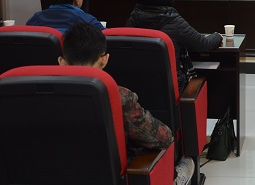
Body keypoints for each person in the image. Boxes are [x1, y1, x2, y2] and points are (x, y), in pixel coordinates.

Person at [61, 23, 192, 185]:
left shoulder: (37, 99)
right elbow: (163, 138)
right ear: (104, 60)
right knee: (185, 164)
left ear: (61, 61)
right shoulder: (117, 96)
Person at [126, 0, 223, 93]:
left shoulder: (132, 21)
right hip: (170, 90)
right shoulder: (174, 21)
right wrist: (217, 36)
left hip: (136, 89)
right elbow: (203, 44)